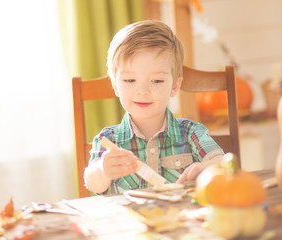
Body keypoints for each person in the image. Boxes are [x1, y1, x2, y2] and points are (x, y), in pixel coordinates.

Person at [84, 20, 224, 195]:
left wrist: (209, 168)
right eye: (129, 80)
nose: (142, 91)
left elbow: (223, 163)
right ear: (115, 85)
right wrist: (102, 171)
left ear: (174, 86)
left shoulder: (190, 132)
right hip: (128, 221)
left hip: (181, 219)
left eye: (157, 81)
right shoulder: (108, 139)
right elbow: (92, 183)